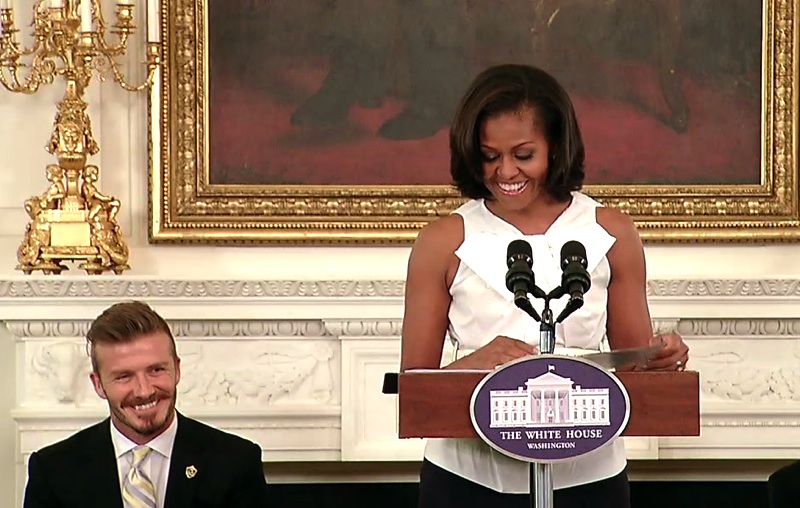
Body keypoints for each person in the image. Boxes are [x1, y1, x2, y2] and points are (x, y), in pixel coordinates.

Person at [400, 63, 691, 508]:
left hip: (588, 480)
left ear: (556, 147)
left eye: (523, 154)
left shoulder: (611, 234)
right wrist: (477, 366)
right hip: (469, 481)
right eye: (489, 155)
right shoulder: (442, 241)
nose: (505, 172)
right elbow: (413, 388)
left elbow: (636, 371)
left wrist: (663, 356)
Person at [23, 301, 270, 508]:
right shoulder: (53, 470)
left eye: (156, 370)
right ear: (98, 384)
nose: (144, 390)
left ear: (177, 369)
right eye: (124, 376)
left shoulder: (236, 462)